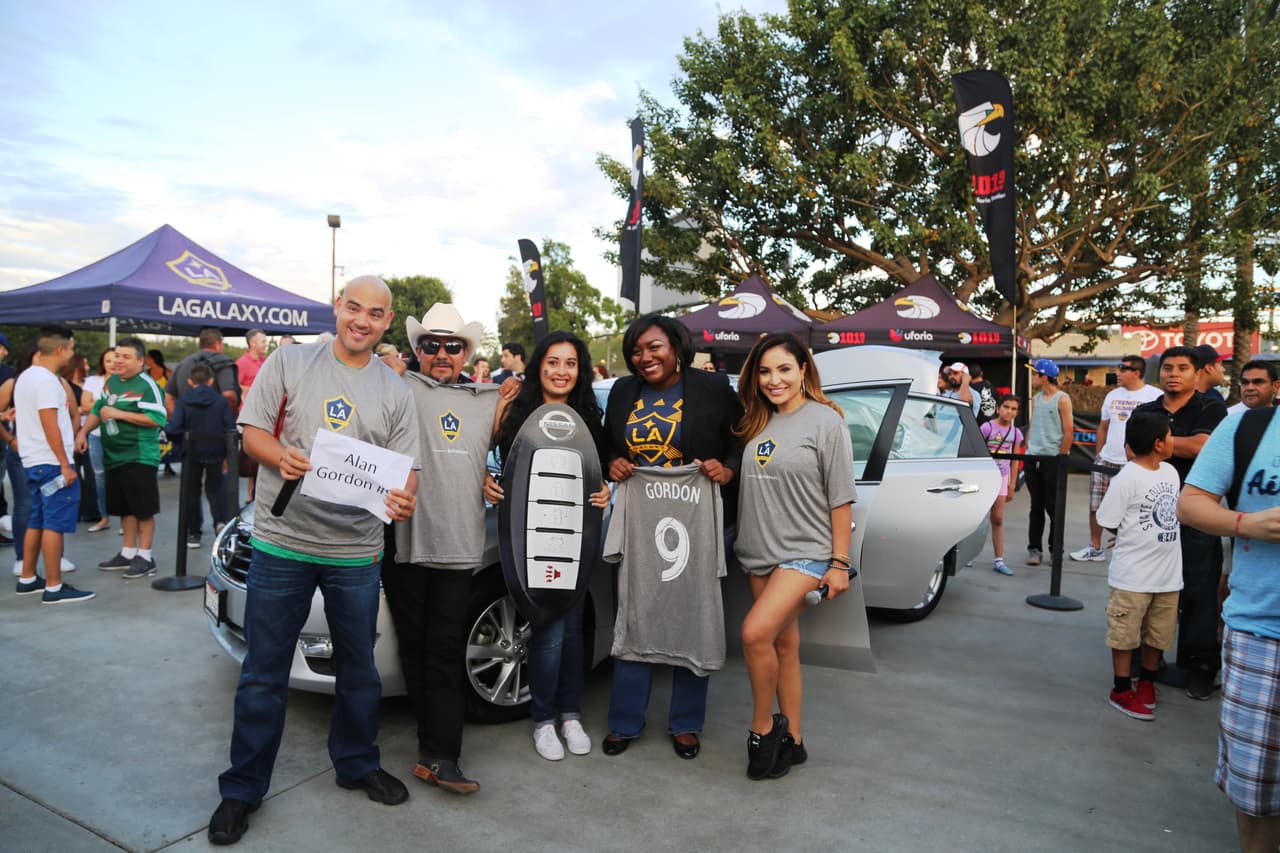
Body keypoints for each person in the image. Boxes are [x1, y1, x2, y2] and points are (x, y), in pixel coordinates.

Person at [207, 275, 420, 846]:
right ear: (338, 308)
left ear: (386, 322)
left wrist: (406, 497)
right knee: (264, 672)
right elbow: (251, 433)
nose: (363, 320)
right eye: (354, 307)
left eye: (376, 314)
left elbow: (407, 470)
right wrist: (281, 455)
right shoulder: (291, 362)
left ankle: (356, 763)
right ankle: (242, 788)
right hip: (283, 542)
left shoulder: (395, 390)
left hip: (356, 552)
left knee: (360, 671)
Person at [600, 314, 743, 760]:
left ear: (677, 347)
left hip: (698, 520)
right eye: (637, 351)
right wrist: (613, 463)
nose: (645, 358)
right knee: (636, 608)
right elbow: (607, 444)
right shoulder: (625, 391)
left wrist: (729, 468)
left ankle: (685, 723)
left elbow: (744, 437)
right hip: (642, 521)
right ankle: (624, 721)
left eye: (654, 347)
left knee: (692, 613)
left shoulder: (713, 388)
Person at [384, 302, 498, 796]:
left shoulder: (490, 399)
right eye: (431, 345)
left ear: (467, 353)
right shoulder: (396, 386)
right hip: (403, 543)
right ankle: (429, 749)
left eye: (453, 346)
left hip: (457, 545)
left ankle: (444, 755)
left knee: (446, 650)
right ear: (417, 350)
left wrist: (493, 476)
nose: (442, 354)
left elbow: (521, 437)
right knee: (415, 645)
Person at [733, 332, 854, 780]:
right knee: (783, 645)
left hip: (805, 552)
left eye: (784, 369)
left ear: (804, 369)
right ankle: (795, 741)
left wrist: (839, 563)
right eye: (764, 371)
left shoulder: (827, 421)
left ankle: (763, 730)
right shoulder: (754, 421)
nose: (773, 379)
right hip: (758, 551)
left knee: (753, 634)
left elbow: (841, 498)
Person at [484, 332, 610, 761]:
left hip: (574, 536)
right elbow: (488, 461)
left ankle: (570, 715)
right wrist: (486, 481)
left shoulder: (590, 416)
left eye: (570, 363)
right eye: (553, 362)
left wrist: (606, 492)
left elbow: (603, 472)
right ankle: (543, 720)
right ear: (539, 366)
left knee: (573, 631)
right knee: (547, 629)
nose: (561, 371)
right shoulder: (516, 410)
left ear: (581, 370)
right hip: (530, 537)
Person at [1179, 407, 1280, 851]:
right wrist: (1247, 523)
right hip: (1262, 633)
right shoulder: (1249, 427)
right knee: (1256, 793)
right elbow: (1191, 502)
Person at [1135, 345, 1227, 699]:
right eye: (1168, 367)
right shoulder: (1147, 408)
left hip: (1198, 512)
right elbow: (1132, 450)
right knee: (1149, 591)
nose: (1173, 373)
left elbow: (1204, 448)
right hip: (1151, 516)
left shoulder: (1211, 406)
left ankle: (1200, 667)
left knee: (1199, 593)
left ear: (1196, 373)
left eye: (1182, 368)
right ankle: (1147, 661)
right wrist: (1178, 445)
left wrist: (1154, 445)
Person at [1096, 410, 1181, 720]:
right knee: (1125, 633)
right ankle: (1121, 689)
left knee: (1158, 634)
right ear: (1159, 443)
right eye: (1171, 435)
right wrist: (1130, 535)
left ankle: (1146, 681)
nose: (1174, 440)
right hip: (1132, 577)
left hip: (1168, 576)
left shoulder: (1171, 473)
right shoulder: (1127, 478)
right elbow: (1106, 520)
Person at [75, 338, 167, 581]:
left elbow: (157, 419)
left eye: (126, 357)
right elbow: (98, 410)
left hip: (139, 456)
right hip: (113, 455)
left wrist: (119, 413)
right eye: (117, 355)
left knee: (143, 510)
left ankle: (146, 557)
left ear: (140, 361)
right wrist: (83, 432)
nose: (118, 361)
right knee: (124, 509)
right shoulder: (112, 381)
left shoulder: (148, 386)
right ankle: (127, 553)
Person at [13, 326, 94, 604]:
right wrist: (65, 464)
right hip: (50, 462)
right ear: (59, 350)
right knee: (54, 524)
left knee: (37, 519)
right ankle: (54, 586)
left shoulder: (26, 377)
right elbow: (50, 424)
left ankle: (27, 578)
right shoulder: (47, 381)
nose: (72, 354)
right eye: (71, 349)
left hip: (33, 460)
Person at [1070, 355, 1161, 562]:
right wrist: (1098, 455)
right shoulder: (1112, 395)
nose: (1117, 372)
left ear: (1136, 373)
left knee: (1134, 509)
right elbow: (1103, 426)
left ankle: (1129, 548)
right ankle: (1095, 547)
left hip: (1136, 463)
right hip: (1107, 460)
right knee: (1096, 505)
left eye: (1123, 368)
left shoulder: (1155, 396)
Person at [167, 363, 236, 549]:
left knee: (192, 492)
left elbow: (173, 428)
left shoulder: (183, 401)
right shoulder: (220, 401)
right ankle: (219, 523)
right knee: (215, 489)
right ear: (211, 380)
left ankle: (194, 532)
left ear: (190, 381)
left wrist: (179, 442)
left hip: (190, 451)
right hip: (215, 451)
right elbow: (230, 427)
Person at [1024, 358, 1073, 566]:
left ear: (1044, 376)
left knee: (1054, 507)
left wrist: (1061, 457)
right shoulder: (1036, 398)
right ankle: (1034, 549)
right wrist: (1026, 449)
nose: (1033, 377)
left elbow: (1069, 431)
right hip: (1033, 456)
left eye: (1035, 374)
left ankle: (1056, 550)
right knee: (1036, 506)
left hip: (1053, 459)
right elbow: (1033, 425)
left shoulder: (1062, 399)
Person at [980, 395, 1024, 576]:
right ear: (998, 408)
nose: (1009, 411)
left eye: (1014, 409)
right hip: (984, 477)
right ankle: (965, 554)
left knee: (997, 518)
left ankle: (999, 560)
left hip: (1002, 478)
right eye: (1006, 407)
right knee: (974, 517)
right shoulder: (987, 427)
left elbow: (1015, 461)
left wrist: (1011, 485)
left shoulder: (1016, 433)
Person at [80, 349, 116, 533]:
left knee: (122, 476)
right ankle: (104, 517)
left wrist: (95, 404)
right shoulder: (93, 381)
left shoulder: (124, 381)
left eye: (114, 359)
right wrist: (106, 405)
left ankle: (127, 520)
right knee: (99, 477)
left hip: (119, 435)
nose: (111, 363)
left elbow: (89, 406)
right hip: (95, 435)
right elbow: (83, 405)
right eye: (107, 360)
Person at [167, 328, 239, 417]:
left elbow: (168, 398)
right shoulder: (223, 362)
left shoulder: (182, 364)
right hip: (215, 426)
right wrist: (230, 419)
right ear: (217, 344)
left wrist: (177, 421)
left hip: (186, 426)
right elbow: (228, 395)